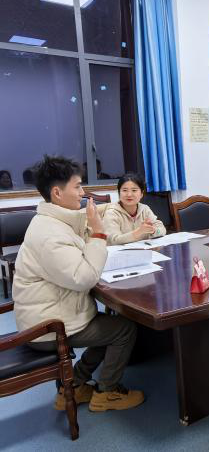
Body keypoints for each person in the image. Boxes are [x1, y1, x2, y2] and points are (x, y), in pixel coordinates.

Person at [12, 156, 143, 412]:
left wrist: (104, 212)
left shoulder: (50, 220)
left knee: (105, 323)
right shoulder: (50, 235)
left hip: (51, 312)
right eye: (78, 186)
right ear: (57, 192)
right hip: (48, 327)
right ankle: (107, 393)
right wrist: (99, 233)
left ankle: (73, 385)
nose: (83, 193)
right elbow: (84, 278)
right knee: (123, 329)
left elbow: (79, 222)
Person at [103, 173, 166, 245]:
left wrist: (154, 231)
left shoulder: (145, 209)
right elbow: (113, 240)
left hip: (144, 249)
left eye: (134, 190)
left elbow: (162, 229)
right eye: (125, 190)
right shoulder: (111, 213)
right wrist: (138, 232)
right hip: (121, 251)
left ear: (141, 194)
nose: (129, 194)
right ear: (119, 193)